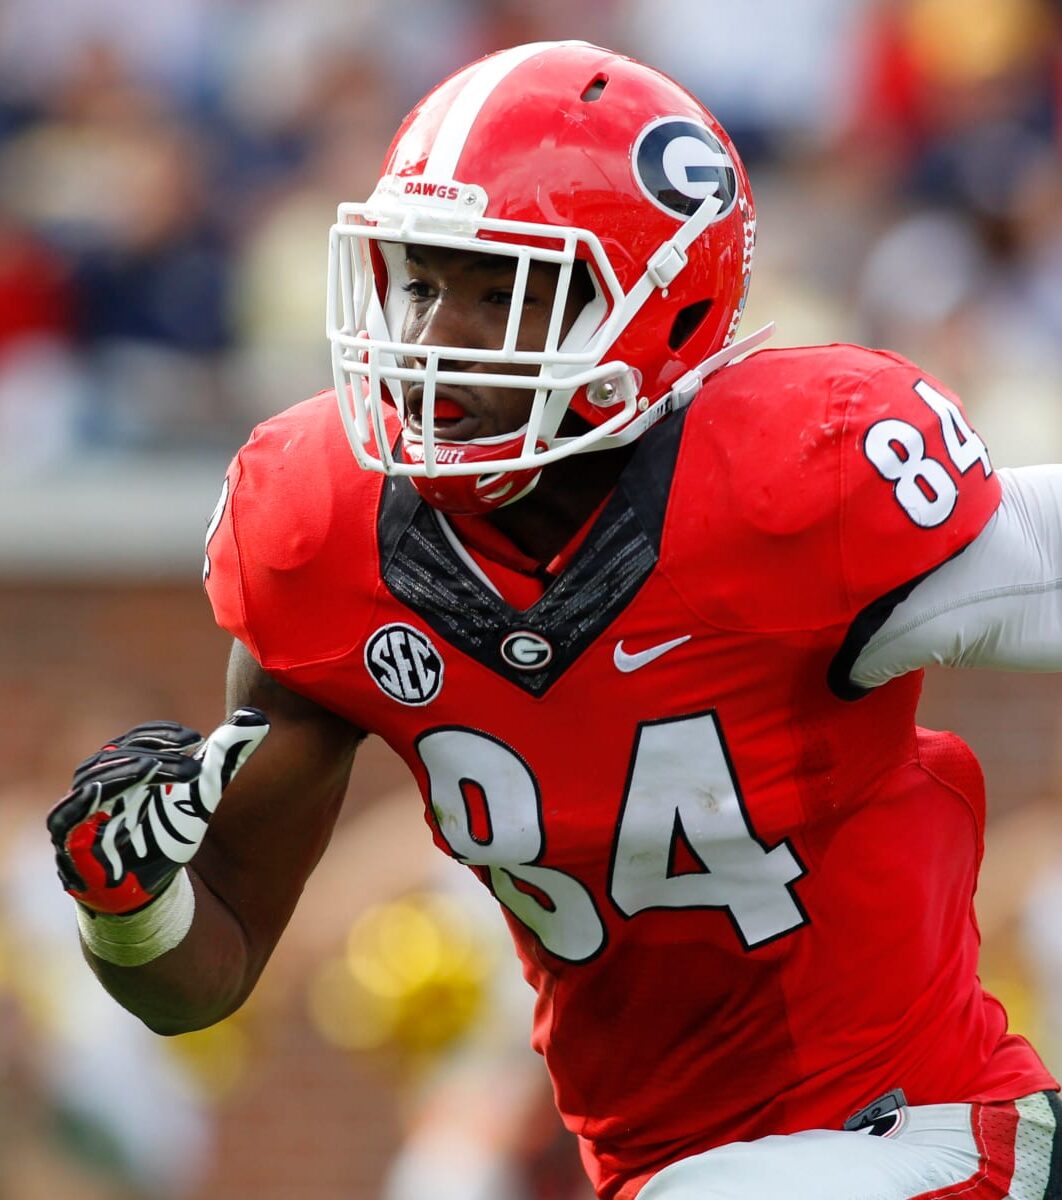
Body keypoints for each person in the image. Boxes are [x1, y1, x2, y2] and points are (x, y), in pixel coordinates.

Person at [46, 39, 1062, 1200]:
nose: (435, 336)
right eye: (421, 283)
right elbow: (208, 968)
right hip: (653, 1166)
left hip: (925, 1130)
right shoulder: (318, 531)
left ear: (659, 306)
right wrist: (126, 902)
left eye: (501, 292)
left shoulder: (800, 481)